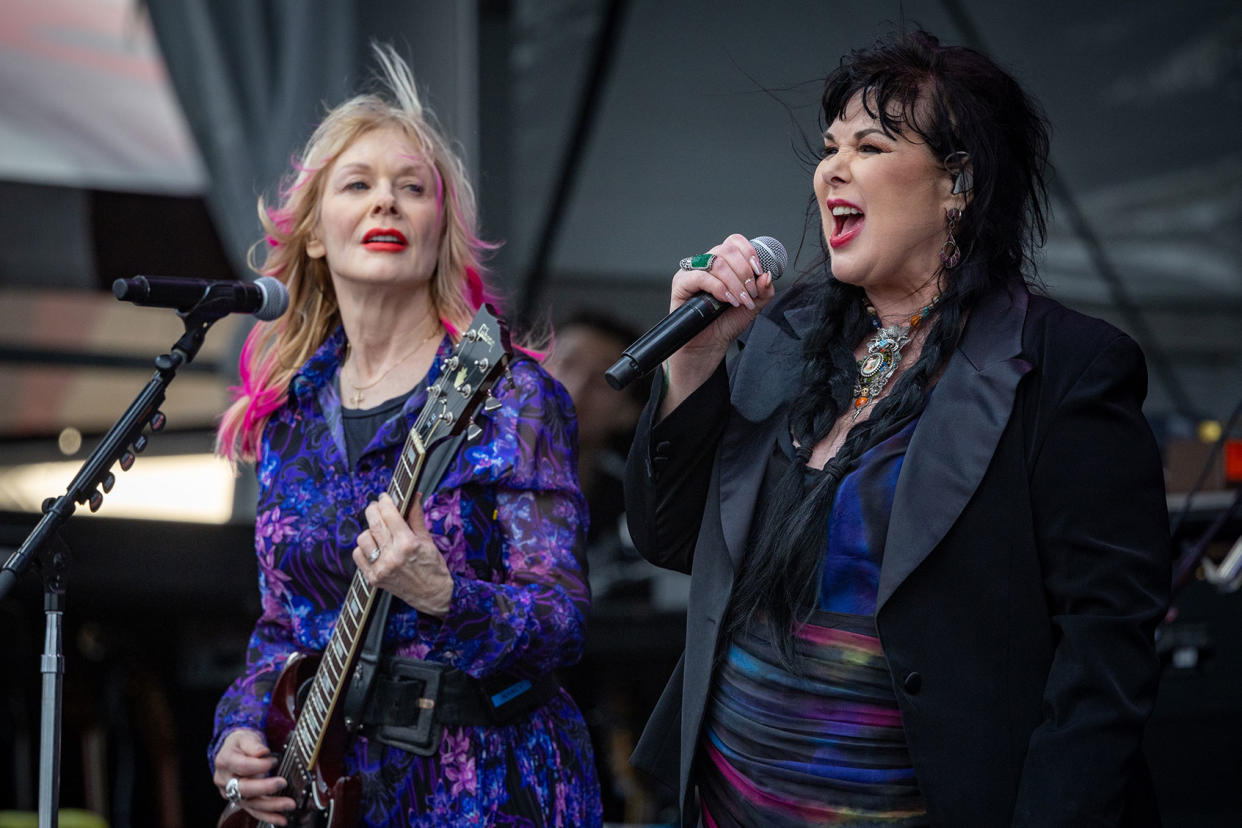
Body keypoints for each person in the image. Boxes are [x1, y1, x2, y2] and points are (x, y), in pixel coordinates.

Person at [624, 30, 1170, 827]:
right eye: (828, 147)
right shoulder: (782, 335)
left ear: (959, 182)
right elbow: (670, 539)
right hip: (727, 805)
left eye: (870, 145)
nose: (831, 169)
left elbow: (1105, 660)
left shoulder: (1068, 369)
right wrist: (695, 364)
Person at [208, 44, 602, 826]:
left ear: (439, 232)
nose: (386, 203)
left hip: (490, 784)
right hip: (335, 789)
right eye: (358, 185)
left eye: (412, 189)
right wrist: (241, 729)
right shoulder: (289, 416)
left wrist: (446, 595)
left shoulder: (511, 398)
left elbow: (562, 624)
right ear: (316, 235)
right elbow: (284, 626)